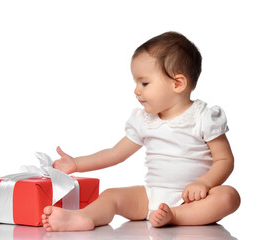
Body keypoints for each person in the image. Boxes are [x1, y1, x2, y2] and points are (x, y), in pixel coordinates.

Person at [41, 31, 241, 232]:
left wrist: (204, 183)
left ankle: (176, 215)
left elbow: (225, 160)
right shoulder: (144, 120)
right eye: (136, 83)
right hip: (150, 196)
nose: (136, 90)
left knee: (228, 196)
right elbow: (115, 153)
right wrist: (76, 164)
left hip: (193, 200)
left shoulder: (203, 117)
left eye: (144, 83)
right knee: (112, 195)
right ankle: (84, 217)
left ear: (177, 84)